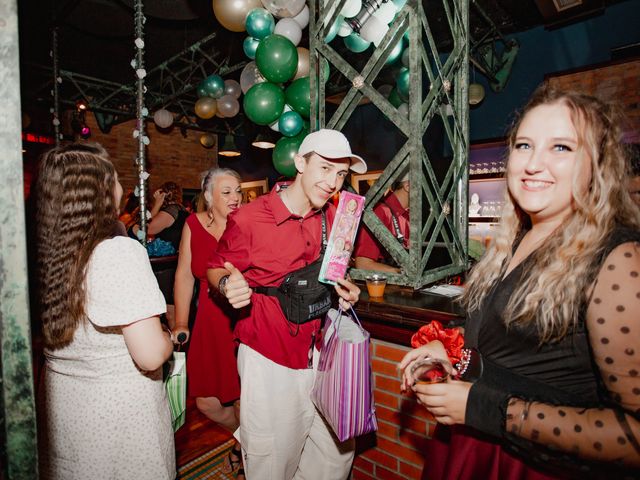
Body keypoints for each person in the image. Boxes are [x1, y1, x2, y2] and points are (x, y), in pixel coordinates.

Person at [398, 85, 640, 479]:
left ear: (598, 164)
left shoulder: (618, 259)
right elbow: (510, 355)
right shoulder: (516, 240)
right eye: (525, 145)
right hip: (475, 450)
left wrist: (482, 409)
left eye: (561, 147)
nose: (533, 164)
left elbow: (633, 437)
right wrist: (452, 350)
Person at [207, 129, 365, 480]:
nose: (332, 182)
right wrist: (226, 284)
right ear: (299, 163)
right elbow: (215, 267)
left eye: (340, 174)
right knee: (273, 463)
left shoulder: (333, 217)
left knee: (335, 457)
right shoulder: (250, 219)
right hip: (270, 359)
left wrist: (344, 290)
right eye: (324, 169)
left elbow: (330, 275)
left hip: (323, 357)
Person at [35, 143, 175, 480]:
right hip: (117, 416)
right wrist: (169, 336)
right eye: (114, 178)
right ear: (99, 191)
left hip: (63, 408)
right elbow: (150, 355)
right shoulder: (117, 253)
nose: (122, 188)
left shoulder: (43, 251)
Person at [172, 167, 245, 477]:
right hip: (209, 322)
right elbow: (185, 275)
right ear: (207, 196)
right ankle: (245, 443)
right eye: (226, 192)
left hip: (244, 317)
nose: (235, 197)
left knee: (244, 397)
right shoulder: (192, 224)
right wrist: (180, 322)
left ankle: (247, 454)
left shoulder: (246, 224)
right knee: (207, 403)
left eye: (238, 191)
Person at [354, 171, 410, 273]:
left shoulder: (409, 214)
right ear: (408, 186)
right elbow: (363, 264)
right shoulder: (380, 211)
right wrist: (402, 274)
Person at [147, 181, 189, 251]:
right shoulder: (181, 209)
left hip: (167, 257)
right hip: (175, 255)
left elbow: (147, 229)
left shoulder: (170, 211)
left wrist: (157, 204)